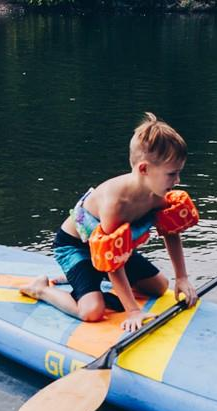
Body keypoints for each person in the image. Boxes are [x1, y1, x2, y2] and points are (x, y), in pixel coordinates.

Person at [20, 112, 200, 332]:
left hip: (112, 252)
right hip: (77, 248)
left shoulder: (157, 194)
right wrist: (132, 310)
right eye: (172, 174)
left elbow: (171, 230)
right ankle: (41, 289)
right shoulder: (116, 203)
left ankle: (89, 279)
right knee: (92, 312)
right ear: (144, 169)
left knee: (159, 287)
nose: (178, 180)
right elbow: (112, 261)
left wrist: (181, 277)